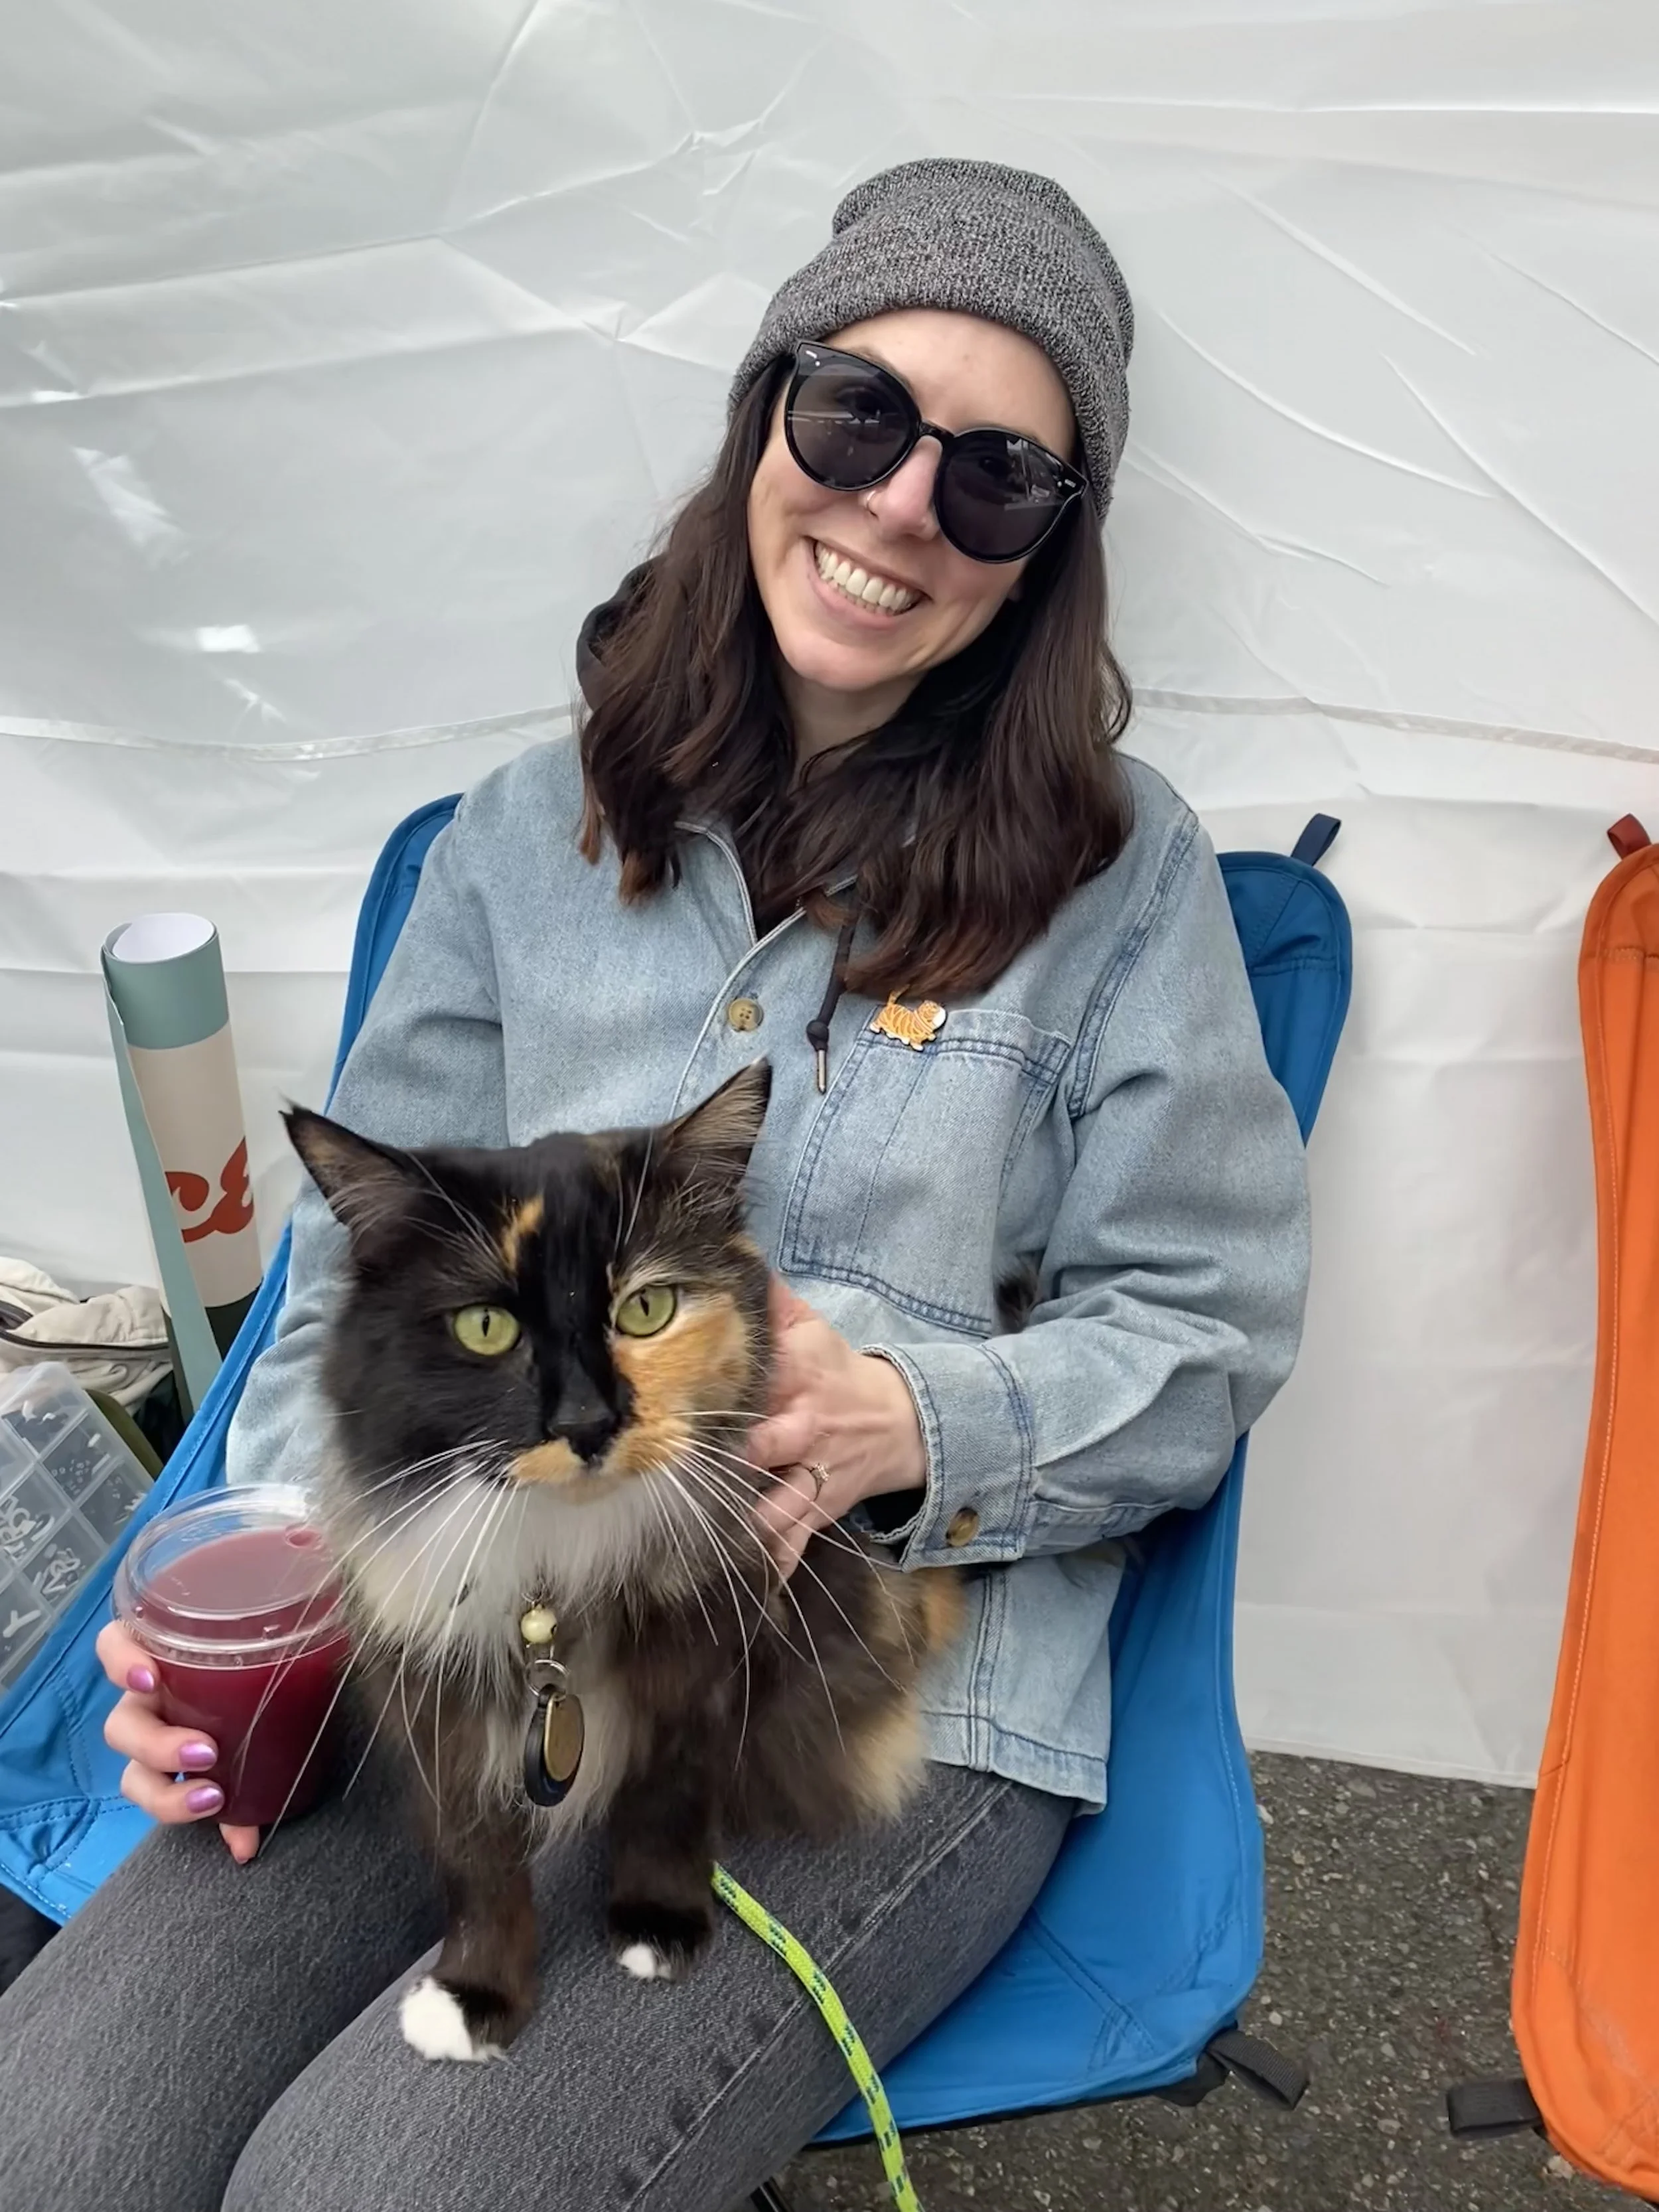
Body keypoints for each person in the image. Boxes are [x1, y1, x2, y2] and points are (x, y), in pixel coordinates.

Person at [0, 159, 1309, 2212]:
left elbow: (1206, 1336)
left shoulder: (1120, 882)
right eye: (861, 416)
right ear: (769, 410)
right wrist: (255, 1590)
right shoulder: (520, 837)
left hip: (872, 1681)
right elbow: (359, 1294)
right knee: (54, 2139)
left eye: (993, 480)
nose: (897, 509)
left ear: (1047, 551)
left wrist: (914, 1421)